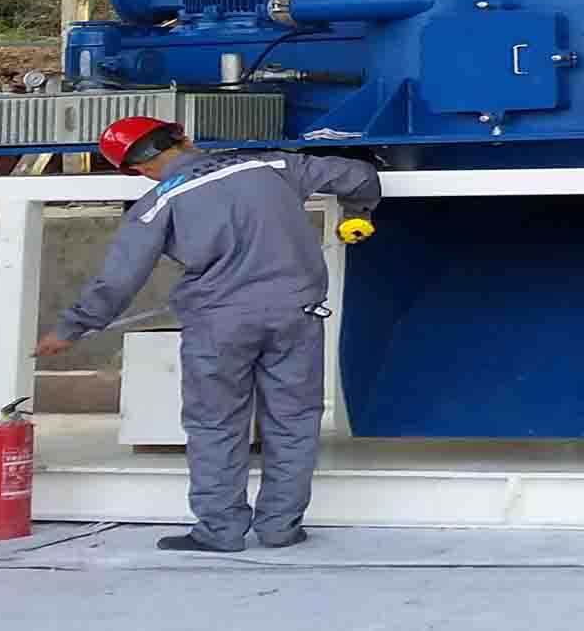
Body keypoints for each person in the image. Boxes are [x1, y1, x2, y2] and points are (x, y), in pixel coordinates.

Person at [34, 115, 381, 553]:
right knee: (294, 421)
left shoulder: (157, 203)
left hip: (218, 325)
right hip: (296, 315)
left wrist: (72, 328)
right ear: (184, 138)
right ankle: (280, 528)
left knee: (216, 425)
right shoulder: (271, 165)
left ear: (138, 170)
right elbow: (359, 175)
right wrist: (356, 214)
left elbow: (118, 280)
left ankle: (220, 530)